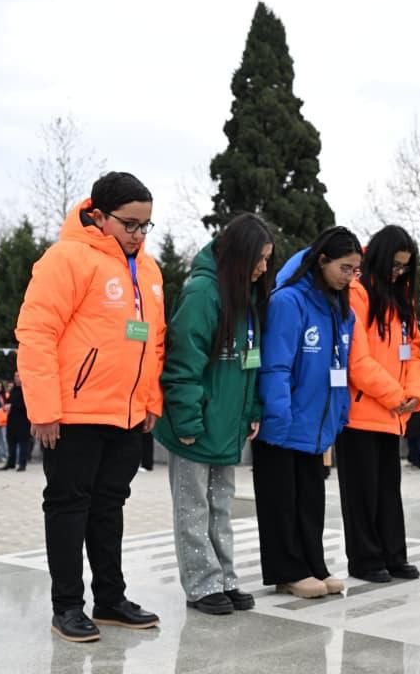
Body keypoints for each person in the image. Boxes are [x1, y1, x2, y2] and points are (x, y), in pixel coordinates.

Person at [16, 171, 165, 642]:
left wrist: (149, 401)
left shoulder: (150, 269)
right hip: (75, 414)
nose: (138, 235)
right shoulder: (66, 258)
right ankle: (67, 606)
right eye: (129, 224)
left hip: (126, 415)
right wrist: (44, 408)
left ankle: (110, 598)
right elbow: (37, 333)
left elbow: (155, 342)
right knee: (68, 506)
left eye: (146, 226)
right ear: (98, 216)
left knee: (109, 506)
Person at [155, 213, 274, 615]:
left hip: (226, 426)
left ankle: (224, 576)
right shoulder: (203, 294)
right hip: (196, 425)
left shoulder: (248, 300)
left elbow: (249, 364)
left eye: (267, 261)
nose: (263, 269)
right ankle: (201, 584)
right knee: (193, 507)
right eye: (258, 260)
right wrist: (187, 419)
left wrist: (251, 411)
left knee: (221, 505)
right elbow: (182, 363)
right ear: (239, 256)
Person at [254, 226, 361, 599]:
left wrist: (341, 409)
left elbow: (341, 366)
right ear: (322, 260)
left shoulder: (338, 308)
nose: (350, 277)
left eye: (355, 270)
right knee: (281, 502)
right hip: (285, 423)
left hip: (317, 423)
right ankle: (287, 570)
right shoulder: (289, 302)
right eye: (345, 268)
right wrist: (278, 414)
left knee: (310, 500)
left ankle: (313, 562)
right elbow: (276, 365)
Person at [337, 225, 420, 584]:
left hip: (394, 414)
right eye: (395, 264)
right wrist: (396, 395)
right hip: (361, 413)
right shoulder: (357, 294)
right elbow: (357, 360)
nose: (399, 272)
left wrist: (415, 393)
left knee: (388, 490)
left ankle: (393, 554)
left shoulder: (404, 299)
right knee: (361, 494)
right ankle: (365, 559)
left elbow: (414, 351)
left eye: (405, 267)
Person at [5, 372, 32, 471]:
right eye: (16, 376)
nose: (17, 378)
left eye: (19, 376)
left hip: (23, 420)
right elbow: (9, 401)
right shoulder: (13, 390)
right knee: (11, 441)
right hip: (12, 420)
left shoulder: (27, 389)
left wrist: (12, 406)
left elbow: (26, 405)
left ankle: (22, 464)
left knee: (23, 443)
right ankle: (11, 462)